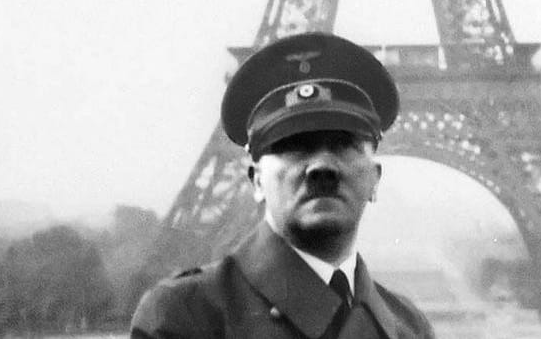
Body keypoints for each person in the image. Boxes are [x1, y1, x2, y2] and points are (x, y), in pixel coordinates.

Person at [130, 31, 435, 338]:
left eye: (344, 144)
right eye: (295, 145)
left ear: (374, 179)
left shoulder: (411, 327)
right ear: (256, 180)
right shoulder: (185, 315)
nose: (322, 165)